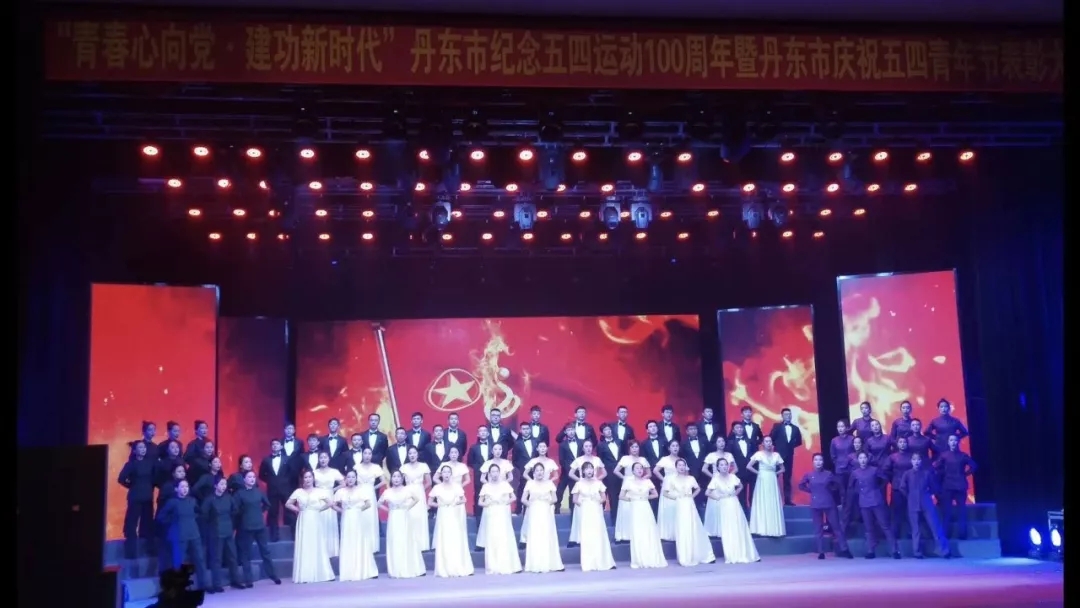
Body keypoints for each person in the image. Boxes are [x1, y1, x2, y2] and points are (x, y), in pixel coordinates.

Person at [156, 479, 211, 590]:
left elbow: (199, 513)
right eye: (182, 487)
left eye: (186, 486)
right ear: (176, 489)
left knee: (200, 559)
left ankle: (204, 584)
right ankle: (178, 586)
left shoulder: (192, 501)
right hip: (179, 536)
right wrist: (174, 521)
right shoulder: (172, 502)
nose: (185, 489)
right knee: (178, 562)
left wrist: (194, 519)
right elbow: (161, 517)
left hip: (194, 534)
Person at [706, 458, 760, 564]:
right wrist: (718, 498)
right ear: (718, 467)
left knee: (739, 526)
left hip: (734, 503)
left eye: (726, 465)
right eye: (721, 465)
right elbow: (707, 492)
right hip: (724, 505)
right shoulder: (715, 479)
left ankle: (744, 552)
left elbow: (741, 486)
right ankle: (732, 554)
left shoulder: (733, 477)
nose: (724, 467)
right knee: (728, 528)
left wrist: (735, 494)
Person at [798, 453, 851, 559]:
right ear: (813, 462)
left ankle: (844, 549)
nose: (818, 462)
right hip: (815, 504)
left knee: (836, 527)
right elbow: (801, 485)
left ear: (823, 462)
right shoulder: (809, 475)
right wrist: (811, 491)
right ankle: (821, 552)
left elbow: (838, 485)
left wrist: (831, 490)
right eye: (816, 460)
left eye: (820, 460)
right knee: (818, 529)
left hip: (829, 503)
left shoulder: (828, 474)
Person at [234, 470, 282, 585]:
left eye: (253, 477)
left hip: (260, 526)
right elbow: (235, 509)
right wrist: (244, 514)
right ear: (244, 479)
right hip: (246, 527)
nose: (252, 479)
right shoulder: (239, 494)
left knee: (265, 551)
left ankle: (273, 575)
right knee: (246, 554)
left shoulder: (259, 492)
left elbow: (267, 504)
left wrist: (260, 511)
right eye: (249, 477)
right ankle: (248, 580)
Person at [849, 451, 900, 559]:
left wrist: (877, 489)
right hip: (864, 502)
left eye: (864, 458)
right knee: (868, 528)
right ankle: (870, 550)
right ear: (858, 460)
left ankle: (895, 550)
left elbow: (884, 480)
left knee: (885, 525)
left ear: (868, 459)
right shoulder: (855, 473)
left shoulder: (874, 470)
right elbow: (851, 487)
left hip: (876, 501)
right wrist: (860, 492)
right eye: (861, 458)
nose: (863, 460)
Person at [900, 453, 952, 559]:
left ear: (921, 461)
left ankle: (944, 550)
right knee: (915, 529)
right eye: (914, 460)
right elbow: (902, 487)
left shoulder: (926, 473)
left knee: (935, 526)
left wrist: (928, 494)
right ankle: (917, 552)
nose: (916, 462)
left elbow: (935, 487)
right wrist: (909, 496)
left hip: (926, 502)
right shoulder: (907, 474)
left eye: (918, 459)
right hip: (913, 503)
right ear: (911, 461)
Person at [286, 470, 334, 583]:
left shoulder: (319, 491)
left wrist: (319, 509)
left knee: (317, 543)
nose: (307, 479)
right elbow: (288, 504)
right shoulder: (298, 491)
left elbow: (330, 503)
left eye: (309, 477)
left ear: (313, 478)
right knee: (305, 544)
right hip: (303, 520)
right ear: (302, 479)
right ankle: (305, 574)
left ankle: (322, 573)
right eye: (305, 477)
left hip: (315, 519)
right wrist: (297, 509)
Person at [665, 458, 715, 567]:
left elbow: (698, 489)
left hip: (690, 504)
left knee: (694, 526)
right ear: (676, 467)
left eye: (683, 465)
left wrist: (691, 496)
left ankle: (702, 554)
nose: (682, 467)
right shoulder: (672, 479)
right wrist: (676, 497)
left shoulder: (691, 478)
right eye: (679, 465)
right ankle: (685, 556)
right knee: (683, 527)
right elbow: (665, 493)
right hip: (680, 505)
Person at [428, 465, 474, 578]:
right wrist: (440, 505)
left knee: (455, 538)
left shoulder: (457, 487)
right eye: (444, 472)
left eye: (448, 472)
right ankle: (444, 568)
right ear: (441, 474)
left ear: (451, 474)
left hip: (454, 514)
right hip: (443, 514)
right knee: (444, 538)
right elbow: (430, 502)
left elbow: (464, 499)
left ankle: (457, 566)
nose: (446, 474)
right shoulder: (437, 488)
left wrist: (454, 503)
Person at [200, 477, 244, 592]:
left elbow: (235, 510)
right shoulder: (210, 499)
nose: (224, 486)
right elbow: (203, 514)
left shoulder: (229, 498)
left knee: (232, 556)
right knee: (217, 558)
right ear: (215, 485)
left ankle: (236, 580)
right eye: (221, 484)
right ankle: (217, 584)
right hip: (215, 532)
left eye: (225, 484)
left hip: (228, 530)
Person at [333, 470, 379, 581]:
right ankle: (349, 572)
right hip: (346, 519)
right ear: (345, 479)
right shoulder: (340, 492)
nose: (350, 479)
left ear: (356, 478)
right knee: (347, 541)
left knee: (359, 541)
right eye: (348, 477)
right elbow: (333, 505)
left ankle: (363, 570)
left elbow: (368, 504)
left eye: (353, 477)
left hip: (358, 519)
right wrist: (342, 511)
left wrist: (358, 510)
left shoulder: (361, 491)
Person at [378, 471, 426, 579]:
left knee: (406, 540)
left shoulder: (407, 490)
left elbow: (417, 499)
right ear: (391, 479)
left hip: (405, 518)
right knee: (395, 541)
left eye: (398, 476)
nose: (396, 479)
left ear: (402, 478)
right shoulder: (387, 492)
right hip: (393, 518)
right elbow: (379, 504)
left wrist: (407, 507)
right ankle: (396, 569)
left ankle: (409, 567)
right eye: (394, 476)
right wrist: (389, 510)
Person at [619, 463, 666, 569]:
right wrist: (632, 499)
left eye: (641, 468)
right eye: (637, 468)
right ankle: (639, 559)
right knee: (638, 531)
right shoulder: (628, 482)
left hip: (645, 507)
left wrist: (644, 498)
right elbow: (621, 496)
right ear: (633, 471)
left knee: (649, 530)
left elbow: (655, 494)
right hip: (635, 508)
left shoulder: (647, 481)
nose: (639, 470)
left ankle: (651, 557)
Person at [477, 464, 522, 575]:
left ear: (499, 472)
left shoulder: (505, 485)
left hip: (502, 513)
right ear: (489, 474)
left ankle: (507, 564)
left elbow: (513, 497)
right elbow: (480, 502)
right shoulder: (486, 486)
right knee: (493, 537)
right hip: (491, 513)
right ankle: (493, 565)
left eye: (496, 471)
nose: (495, 474)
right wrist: (488, 503)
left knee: (504, 536)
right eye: (492, 471)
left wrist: (504, 502)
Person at [572, 462, 616, 572]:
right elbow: (575, 499)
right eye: (587, 469)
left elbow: (603, 498)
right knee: (588, 534)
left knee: (599, 533)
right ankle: (589, 563)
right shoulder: (579, 484)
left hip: (596, 510)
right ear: (583, 471)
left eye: (591, 468)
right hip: (585, 511)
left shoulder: (598, 483)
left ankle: (604, 561)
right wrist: (584, 503)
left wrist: (597, 502)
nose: (589, 470)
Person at [521, 462, 564, 573]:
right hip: (534, 511)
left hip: (546, 511)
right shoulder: (530, 483)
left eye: (541, 470)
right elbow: (523, 499)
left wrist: (545, 502)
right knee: (535, 535)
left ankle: (550, 562)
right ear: (534, 473)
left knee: (547, 534)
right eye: (537, 470)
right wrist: (532, 505)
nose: (539, 472)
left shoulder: (549, 483)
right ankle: (535, 563)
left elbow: (555, 499)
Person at [933, 434, 977, 540]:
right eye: (951, 440)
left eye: (955, 440)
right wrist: (941, 474)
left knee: (961, 511)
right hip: (948, 486)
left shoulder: (963, 455)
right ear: (948, 442)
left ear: (958, 442)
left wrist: (965, 474)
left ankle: (962, 534)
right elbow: (935, 467)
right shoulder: (944, 455)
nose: (953, 442)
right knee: (947, 512)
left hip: (960, 486)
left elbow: (974, 466)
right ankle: (946, 534)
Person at [118, 439, 156, 559]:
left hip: (148, 498)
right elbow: (121, 479)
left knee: (148, 525)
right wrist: (131, 485)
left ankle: (148, 550)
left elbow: (154, 478)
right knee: (131, 524)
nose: (143, 450)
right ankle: (131, 553)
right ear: (134, 450)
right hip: (135, 498)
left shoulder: (150, 463)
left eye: (144, 447)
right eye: (140, 448)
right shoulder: (131, 464)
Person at [567, 439, 605, 548]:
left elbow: (605, 473)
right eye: (586, 446)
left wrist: (597, 479)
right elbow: (570, 473)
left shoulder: (597, 459)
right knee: (580, 516)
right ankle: (578, 538)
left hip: (594, 488)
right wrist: (580, 480)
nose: (588, 448)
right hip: (582, 489)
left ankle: (595, 537)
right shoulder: (578, 460)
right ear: (583, 448)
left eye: (590, 446)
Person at [521, 442, 559, 545]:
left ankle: (547, 540)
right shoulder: (533, 461)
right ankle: (526, 539)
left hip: (546, 489)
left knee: (547, 518)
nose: (542, 449)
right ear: (537, 449)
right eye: (540, 447)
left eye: (544, 447)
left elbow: (556, 475)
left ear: (547, 448)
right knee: (530, 517)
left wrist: (548, 481)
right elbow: (525, 474)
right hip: (535, 489)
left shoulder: (551, 462)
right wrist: (532, 482)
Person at [747, 436, 786, 537]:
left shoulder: (776, 455)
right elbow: (749, 466)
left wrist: (775, 473)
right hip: (762, 479)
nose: (769, 443)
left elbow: (783, 469)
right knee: (763, 500)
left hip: (772, 479)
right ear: (763, 443)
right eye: (766, 441)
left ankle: (774, 529)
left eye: (770, 441)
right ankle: (761, 528)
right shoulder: (759, 454)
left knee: (772, 501)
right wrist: (759, 473)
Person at [611, 441, 649, 543]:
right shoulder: (625, 458)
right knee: (626, 509)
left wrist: (641, 479)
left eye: (636, 447)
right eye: (633, 447)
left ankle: (637, 534)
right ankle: (624, 535)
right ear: (629, 449)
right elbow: (616, 471)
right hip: (628, 485)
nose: (635, 449)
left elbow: (649, 473)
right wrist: (625, 478)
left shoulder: (643, 459)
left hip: (639, 486)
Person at [259, 438, 294, 543]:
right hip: (272, 489)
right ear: (271, 447)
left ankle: (293, 535)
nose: (275, 446)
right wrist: (271, 481)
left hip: (285, 489)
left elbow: (292, 473)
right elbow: (261, 475)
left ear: (281, 446)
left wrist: (285, 482)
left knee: (289, 511)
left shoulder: (287, 459)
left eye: (277, 444)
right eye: (273, 444)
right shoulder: (266, 460)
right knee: (273, 512)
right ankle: (274, 536)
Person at [351, 447, 385, 553]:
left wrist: (373, 487)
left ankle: (372, 546)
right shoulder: (356, 467)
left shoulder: (376, 467)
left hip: (370, 493)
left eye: (369, 453)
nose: (367, 455)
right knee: (360, 516)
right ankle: (359, 545)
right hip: (359, 493)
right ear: (362, 454)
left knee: (370, 517)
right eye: (365, 453)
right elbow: (351, 480)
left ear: (371, 455)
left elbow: (383, 481)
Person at [400, 446, 433, 552]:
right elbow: (400, 482)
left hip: (419, 493)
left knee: (419, 517)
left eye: (414, 453)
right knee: (409, 517)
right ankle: (409, 544)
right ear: (408, 455)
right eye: (410, 453)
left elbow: (429, 482)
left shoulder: (424, 466)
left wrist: (421, 489)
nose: (412, 455)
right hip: (407, 494)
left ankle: (421, 545)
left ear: (417, 454)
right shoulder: (404, 467)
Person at [312, 451, 344, 557]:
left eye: (325, 457)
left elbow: (343, 483)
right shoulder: (314, 472)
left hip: (330, 497)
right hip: (317, 498)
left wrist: (333, 489)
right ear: (318, 459)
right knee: (319, 522)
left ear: (329, 459)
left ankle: (331, 550)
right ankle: (319, 550)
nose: (323, 460)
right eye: (321, 457)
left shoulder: (334, 471)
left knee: (330, 522)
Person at [769, 408, 803, 505]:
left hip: (789, 456)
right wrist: (779, 447)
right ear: (782, 416)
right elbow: (771, 438)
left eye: (789, 414)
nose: (788, 416)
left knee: (787, 479)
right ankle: (771, 499)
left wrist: (790, 446)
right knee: (774, 476)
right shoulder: (777, 426)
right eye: (786, 414)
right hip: (777, 456)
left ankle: (787, 500)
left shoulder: (795, 428)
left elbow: (799, 441)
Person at [653, 439, 681, 541]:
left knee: (678, 508)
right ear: (669, 448)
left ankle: (678, 532)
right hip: (668, 485)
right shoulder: (665, 459)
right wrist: (664, 479)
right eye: (673, 446)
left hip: (679, 485)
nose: (675, 448)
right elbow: (655, 470)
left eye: (677, 446)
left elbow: (686, 474)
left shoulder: (681, 460)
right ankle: (667, 532)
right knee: (668, 508)